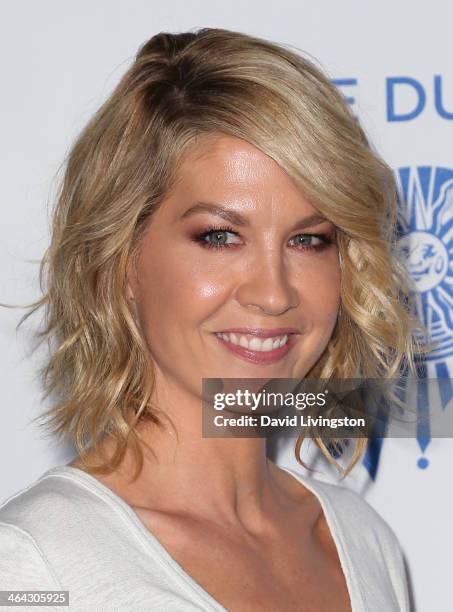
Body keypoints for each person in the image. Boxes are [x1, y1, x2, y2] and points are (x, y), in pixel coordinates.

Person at [0, 27, 428, 611]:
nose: (274, 293)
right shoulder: (32, 563)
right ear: (122, 259)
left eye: (308, 240)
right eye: (220, 236)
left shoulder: (363, 541)